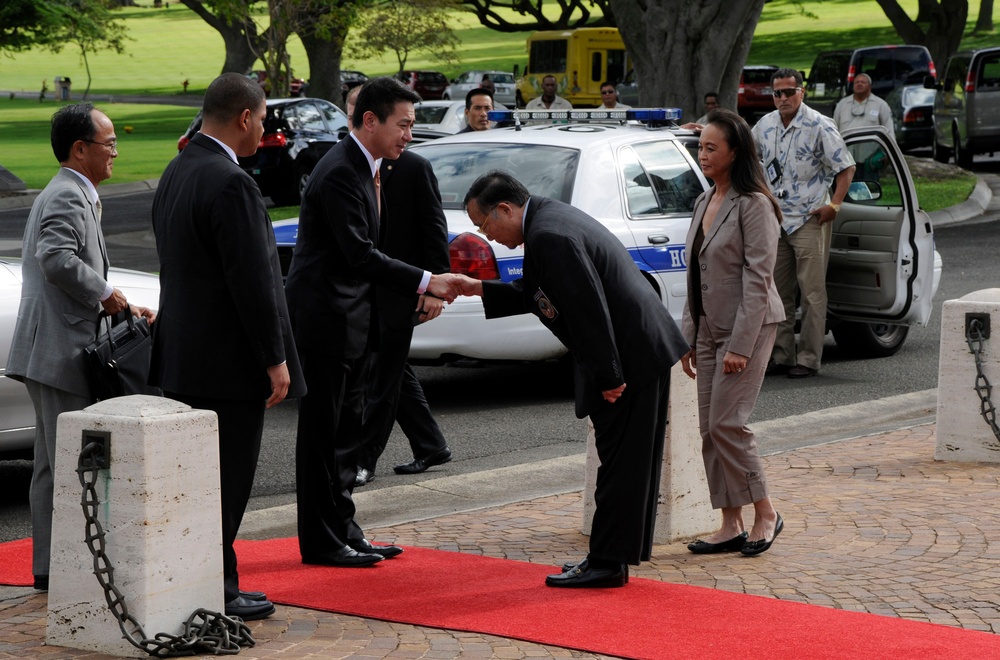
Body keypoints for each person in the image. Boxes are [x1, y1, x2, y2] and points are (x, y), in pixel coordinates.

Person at [458, 170, 690, 588]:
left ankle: (606, 562)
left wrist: (609, 375)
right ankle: (610, 557)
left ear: (505, 209)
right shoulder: (549, 219)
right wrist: (479, 288)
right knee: (625, 462)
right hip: (637, 349)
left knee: (621, 463)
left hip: (628, 357)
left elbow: (587, 309)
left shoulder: (549, 235)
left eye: (485, 224)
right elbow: (543, 293)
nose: (488, 236)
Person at [284, 77, 465, 568]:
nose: (409, 134)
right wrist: (428, 280)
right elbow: (360, 254)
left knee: (348, 433)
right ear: (370, 121)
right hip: (326, 322)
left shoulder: (370, 167)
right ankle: (322, 542)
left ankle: (345, 529)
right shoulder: (342, 171)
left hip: (353, 320)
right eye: (403, 124)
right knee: (324, 437)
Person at [150, 72, 305, 621]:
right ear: (245, 118)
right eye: (262, 118)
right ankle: (217, 587)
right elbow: (254, 280)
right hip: (230, 362)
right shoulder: (230, 182)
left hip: (184, 356)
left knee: (196, 482)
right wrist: (275, 357)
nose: (264, 128)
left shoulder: (177, 170)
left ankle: (214, 579)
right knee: (226, 481)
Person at [6, 102, 155, 592]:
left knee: (54, 463)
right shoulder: (68, 196)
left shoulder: (72, 192)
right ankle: (63, 567)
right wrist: (106, 293)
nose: (115, 152)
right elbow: (55, 258)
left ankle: (52, 567)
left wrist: (124, 307)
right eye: (109, 143)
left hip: (51, 352)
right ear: (79, 148)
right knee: (69, 463)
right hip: (57, 354)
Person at [679, 109, 787, 557]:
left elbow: (759, 279)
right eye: (700, 146)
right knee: (709, 428)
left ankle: (766, 513)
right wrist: (688, 335)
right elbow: (695, 274)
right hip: (707, 330)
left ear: (735, 152)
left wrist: (741, 345)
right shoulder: (704, 202)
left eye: (710, 148)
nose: (702, 154)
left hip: (750, 327)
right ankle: (730, 522)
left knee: (728, 423)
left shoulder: (754, 204)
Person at [343, 86, 452, 486]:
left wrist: (435, 288)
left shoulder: (412, 167)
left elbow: (433, 229)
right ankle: (431, 444)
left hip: (398, 291)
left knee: (383, 380)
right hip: (363, 293)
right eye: (352, 109)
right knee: (391, 372)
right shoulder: (351, 165)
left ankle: (363, 459)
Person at [751, 68, 856, 379]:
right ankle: (782, 355)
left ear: (802, 91)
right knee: (778, 293)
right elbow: (742, 145)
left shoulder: (819, 125)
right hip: (777, 220)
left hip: (811, 218)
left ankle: (809, 358)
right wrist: (703, 130)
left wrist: (834, 205)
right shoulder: (766, 124)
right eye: (777, 93)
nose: (783, 98)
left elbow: (846, 168)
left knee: (811, 293)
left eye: (789, 92)